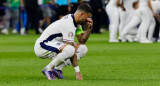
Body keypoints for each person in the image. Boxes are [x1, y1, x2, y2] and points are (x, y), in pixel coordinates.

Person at [34, 4, 93, 80]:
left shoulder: (76, 22)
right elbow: (71, 50)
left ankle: (57, 69)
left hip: (54, 44)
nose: (88, 20)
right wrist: (77, 72)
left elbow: (82, 41)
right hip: (42, 46)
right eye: (87, 17)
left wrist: (89, 29)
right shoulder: (68, 24)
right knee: (70, 50)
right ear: (81, 14)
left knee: (83, 49)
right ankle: (48, 69)